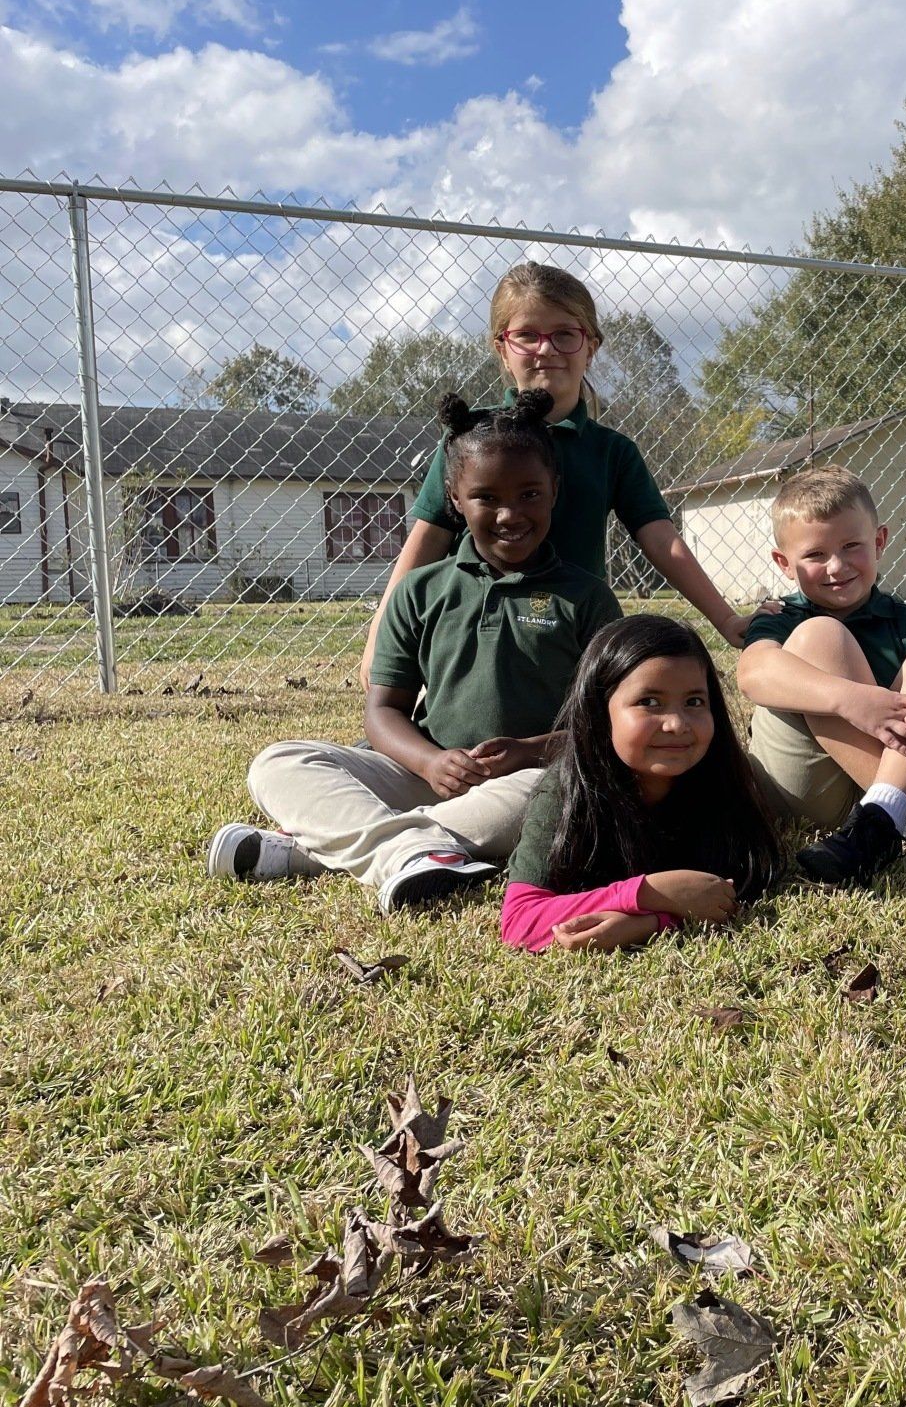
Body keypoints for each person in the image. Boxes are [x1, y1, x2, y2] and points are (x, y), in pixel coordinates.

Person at [209, 390, 621, 913]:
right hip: (423, 776)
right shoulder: (421, 590)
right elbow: (382, 712)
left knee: (553, 795)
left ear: (554, 490)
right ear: (454, 496)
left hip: (524, 779)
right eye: (487, 497)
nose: (509, 514)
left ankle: (316, 852)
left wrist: (526, 751)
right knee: (279, 762)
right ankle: (414, 851)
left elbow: (609, 726)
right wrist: (429, 763)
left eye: (529, 494)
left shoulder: (585, 597)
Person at [357, 261, 754, 690]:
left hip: (571, 637)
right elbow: (425, 540)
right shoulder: (469, 440)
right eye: (527, 335)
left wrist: (726, 618)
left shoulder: (611, 452)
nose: (546, 349)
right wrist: (380, 635)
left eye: (565, 334)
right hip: (471, 642)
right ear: (501, 348)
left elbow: (662, 540)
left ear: (591, 347)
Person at [734, 464, 906, 886]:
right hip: (811, 786)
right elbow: (752, 673)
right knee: (822, 637)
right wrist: (850, 700)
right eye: (816, 555)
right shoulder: (783, 616)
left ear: (879, 542)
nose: (837, 566)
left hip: (888, 789)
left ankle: (881, 822)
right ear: (785, 563)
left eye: (851, 546)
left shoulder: (904, 621)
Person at [499, 614, 782, 952]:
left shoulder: (723, 780)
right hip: (519, 790)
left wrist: (649, 923)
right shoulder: (561, 791)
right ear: (600, 712)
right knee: (473, 828)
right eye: (649, 702)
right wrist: (645, 892)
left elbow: (724, 894)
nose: (677, 724)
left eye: (694, 701)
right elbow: (519, 922)